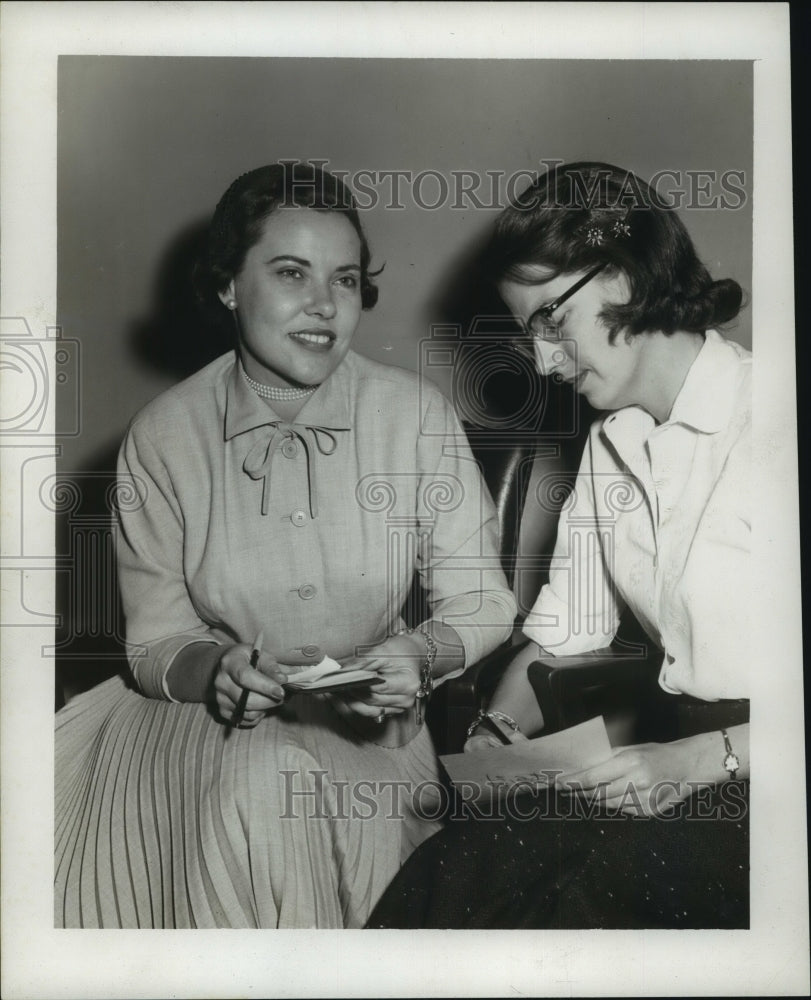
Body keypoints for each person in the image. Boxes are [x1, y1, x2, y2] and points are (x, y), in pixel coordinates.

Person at [54, 162, 517, 929]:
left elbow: (481, 601)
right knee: (262, 789)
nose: (323, 306)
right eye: (290, 273)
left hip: (369, 734)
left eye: (343, 279)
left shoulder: (415, 416)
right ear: (228, 286)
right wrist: (215, 669)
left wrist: (423, 655)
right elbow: (154, 643)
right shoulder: (163, 436)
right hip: (195, 729)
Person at [367, 161, 751, 929]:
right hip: (674, 772)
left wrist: (698, 763)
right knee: (452, 866)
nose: (542, 359)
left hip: (764, 786)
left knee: (573, 900)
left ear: (624, 276)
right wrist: (493, 739)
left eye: (549, 320)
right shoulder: (610, 443)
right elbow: (557, 643)